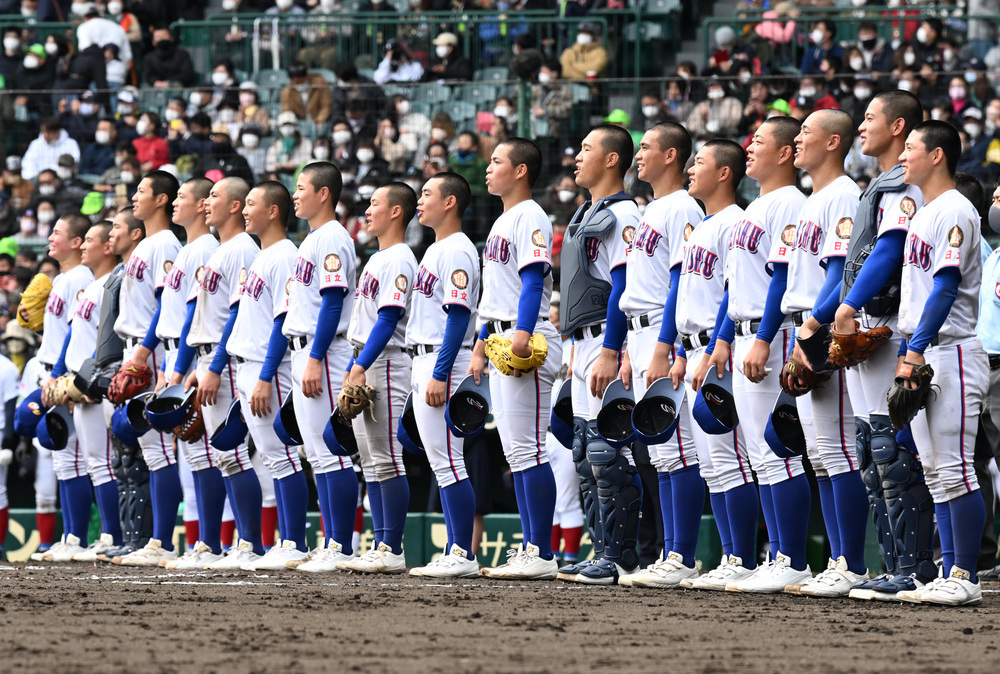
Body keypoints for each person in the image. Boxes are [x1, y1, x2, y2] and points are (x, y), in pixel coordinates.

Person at [797, 91, 936, 600]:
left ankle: (915, 568)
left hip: (893, 322)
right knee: (874, 455)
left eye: (871, 118)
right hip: (871, 319)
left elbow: (890, 251)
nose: (862, 127)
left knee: (893, 452)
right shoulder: (881, 182)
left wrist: (846, 305)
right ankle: (897, 565)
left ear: (899, 126)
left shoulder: (905, 182)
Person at [892, 121, 990, 606]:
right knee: (933, 470)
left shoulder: (955, 209)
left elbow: (946, 287)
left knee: (956, 468)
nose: (902, 156)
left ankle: (965, 575)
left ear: (936, 155)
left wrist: (915, 349)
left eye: (910, 148)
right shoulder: (925, 212)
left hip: (950, 348)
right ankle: (950, 571)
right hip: (927, 347)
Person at [721, 116, 814, 594]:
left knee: (779, 451)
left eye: (758, 142)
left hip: (769, 333)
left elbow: (781, 278)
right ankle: (778, 554)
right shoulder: (757, 206)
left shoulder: (789, 203)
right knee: (760, 453)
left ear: (784, 154)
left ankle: (791, 558)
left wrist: (762, 336)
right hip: (745, 332)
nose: (748, 149)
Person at [781, 110, 870, 597]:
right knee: (822, 454)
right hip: (807, 324)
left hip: (823, 326)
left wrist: (811, 328)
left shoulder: (842, 195)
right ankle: (841, 560)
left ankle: (851, 563)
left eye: (806, 134)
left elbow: (840, 274)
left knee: (837, 451)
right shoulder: (816, 197)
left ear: (833, 142)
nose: (796, 140)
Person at [616, 122, 704, 589]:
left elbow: (680, 283)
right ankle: (673, 553)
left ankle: (682, 555)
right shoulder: (652, 208)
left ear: (672, 155)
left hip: (660, 333)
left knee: (678, 450)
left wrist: (666, 346)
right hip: (641, 333)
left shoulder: (682, 206)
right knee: (661, 455)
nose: (639, 155)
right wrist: (632, 352)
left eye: (647, 147)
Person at [555, 125, 641, 585]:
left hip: (609, 339)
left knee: (608, 454)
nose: (577, 156)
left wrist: (612, 350)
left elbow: (622, 285)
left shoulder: (624, 214)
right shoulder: (587, 211)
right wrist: (574, 350)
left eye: (587, 148)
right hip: (582, 342)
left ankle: (621, 556)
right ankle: (603, 550)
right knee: (586, 454)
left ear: (611, 160)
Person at [471, 138, 560, 579]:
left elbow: (531, 282)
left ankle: (540, 552)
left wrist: (522, 334)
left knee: (529, 448)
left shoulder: (530, 216)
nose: (489, 168)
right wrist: (481, 344)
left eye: (497, 161)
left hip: (528, 335)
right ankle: (530, 548)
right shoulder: (505, 219)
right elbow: (496, 296)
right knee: (516, 451)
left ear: (521, 170)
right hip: (502, 337)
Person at [670, 140, 755, 590]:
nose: (689, 168)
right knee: (711, 464)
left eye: (699, 162)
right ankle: (730, 556)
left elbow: (732, 293)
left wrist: (713, 346)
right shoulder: (703, 224)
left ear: (724, 173)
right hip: (696, 347)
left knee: (730, 459)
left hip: (719, 349)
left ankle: (742, 556)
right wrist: (684, 352)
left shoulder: (735, 222)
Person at [183, 177, 265, 570]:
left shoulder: (243, 250)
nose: (206, 204)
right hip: (209, 357)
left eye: (214, 196)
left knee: (232, 455)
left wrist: (214, 365)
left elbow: (238, 313)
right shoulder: (224, 249)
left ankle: (248, 544)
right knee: (220, 458)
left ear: (235, 205)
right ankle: (214, 544)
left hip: (227, 359)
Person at [226, 181, 310, 571]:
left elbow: (283, 320)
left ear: (273, 211)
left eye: (252, 204)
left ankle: (294, 541)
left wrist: (265, 375)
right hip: (247, 365)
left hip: (267, 368)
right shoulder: (263, 255)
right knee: (275, 461)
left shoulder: (284, 256)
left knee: (283, 458)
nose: (244, 209)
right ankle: (285, 541)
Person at [281, 162, 360, 573]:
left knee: (333, 452)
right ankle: (332, 542)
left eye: (301, 188)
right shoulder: (313, 238)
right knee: (317, 454)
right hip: (307, 350)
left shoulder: (331, 238)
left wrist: (314, 357)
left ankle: (340, 546)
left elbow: (332, 303)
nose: (295, 194)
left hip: (323, 353)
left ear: (323, 193)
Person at [336, 182, 419, 574]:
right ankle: (382, 542)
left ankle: (391, 545)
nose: (367, 211)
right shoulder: (379, 256)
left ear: (397, 212)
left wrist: (358, 365)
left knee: (387, 460)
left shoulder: (400, 257)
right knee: (371, 462)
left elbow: (388, 319)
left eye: (374, 204)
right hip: (369, 359)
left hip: (385, 361)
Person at [404, 172, 482, 578]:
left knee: (450, 462)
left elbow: (458, 316)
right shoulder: (435, 248)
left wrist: (440, 372)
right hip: (425, 358)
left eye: (428, 193)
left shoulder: (456, 250)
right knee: (441, 461)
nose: (421, 200)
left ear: (450, 202)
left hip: (441, 360)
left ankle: (461, 552)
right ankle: (457, 550)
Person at [110, 170, 184, 567]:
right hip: (138, 348)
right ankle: (153, 540)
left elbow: (164, 306)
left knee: (161, 451)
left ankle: (161, 541)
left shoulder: (165, 244)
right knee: (151, 452)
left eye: (141, 191)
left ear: (161, 200)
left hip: (151, 350)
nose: (134, 196)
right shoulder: (150, 245)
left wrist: (143, 350)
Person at [155, 178, 225, 570]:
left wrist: (178, 369)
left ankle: (211, 543)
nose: (176, 204)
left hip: (196, 356)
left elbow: (192, 315)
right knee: (195, 458)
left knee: (208, 454)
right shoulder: (189, 250)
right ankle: (203, 542)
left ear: (202, 206)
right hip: (180, 355)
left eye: (183, 197)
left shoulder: (205, 250)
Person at [55, 220, 123, 561]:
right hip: (78, 383)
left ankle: (113, 534)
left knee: (103, 463)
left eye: (91, 241)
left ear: (108, 248)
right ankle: (106, 535)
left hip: (94, 384)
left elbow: (107, 340)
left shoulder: (110, 284)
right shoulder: (93, 286)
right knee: (95, 463)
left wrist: (89, 381)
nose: (83, 247)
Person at [32, 214, 95, 561]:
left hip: (66, 376)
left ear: (76, 241)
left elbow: (80, 334)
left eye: (58, 232)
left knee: (73, 461)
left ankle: (78, 538)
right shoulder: (62, 278)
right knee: (63, 462)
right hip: (51, 372)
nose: (50, 237)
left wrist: (71, 380)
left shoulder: (80, 278)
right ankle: (71, 537)